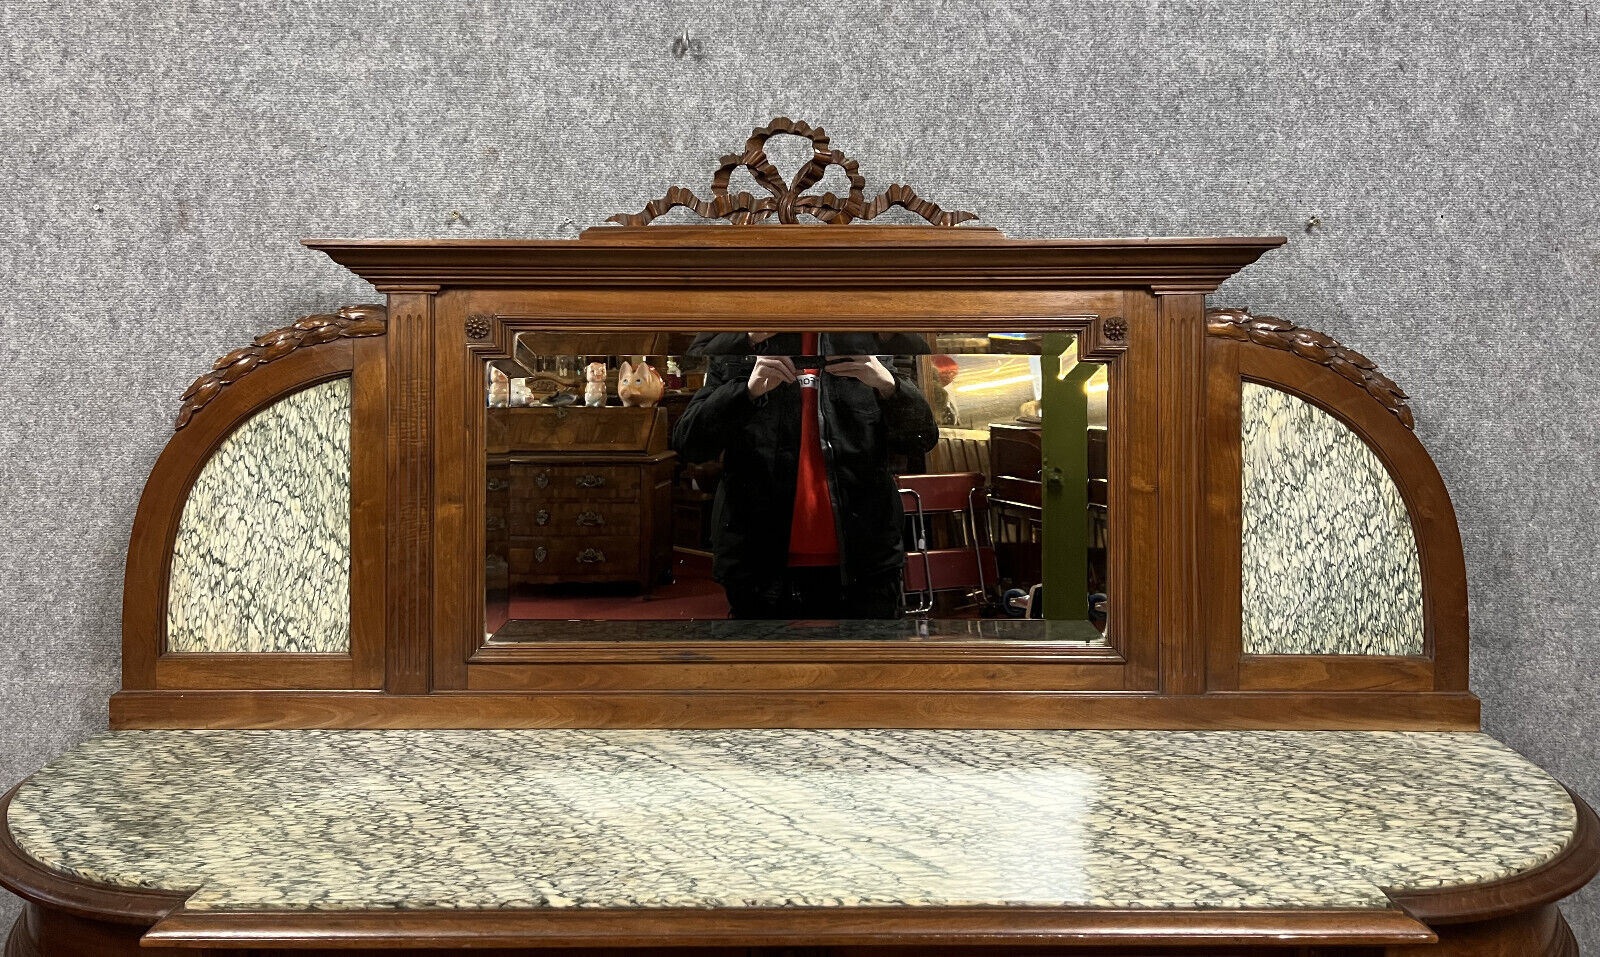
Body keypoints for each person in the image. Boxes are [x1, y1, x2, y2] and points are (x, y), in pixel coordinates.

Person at [672, 332, 938, 620]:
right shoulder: (743, 345)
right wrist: (746, 391)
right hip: (757, 560)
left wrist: (888, 385)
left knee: (861, 665)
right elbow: (690, 444)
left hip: (864, 561)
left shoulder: (877, 340)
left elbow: (921, 442)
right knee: (764, 665)